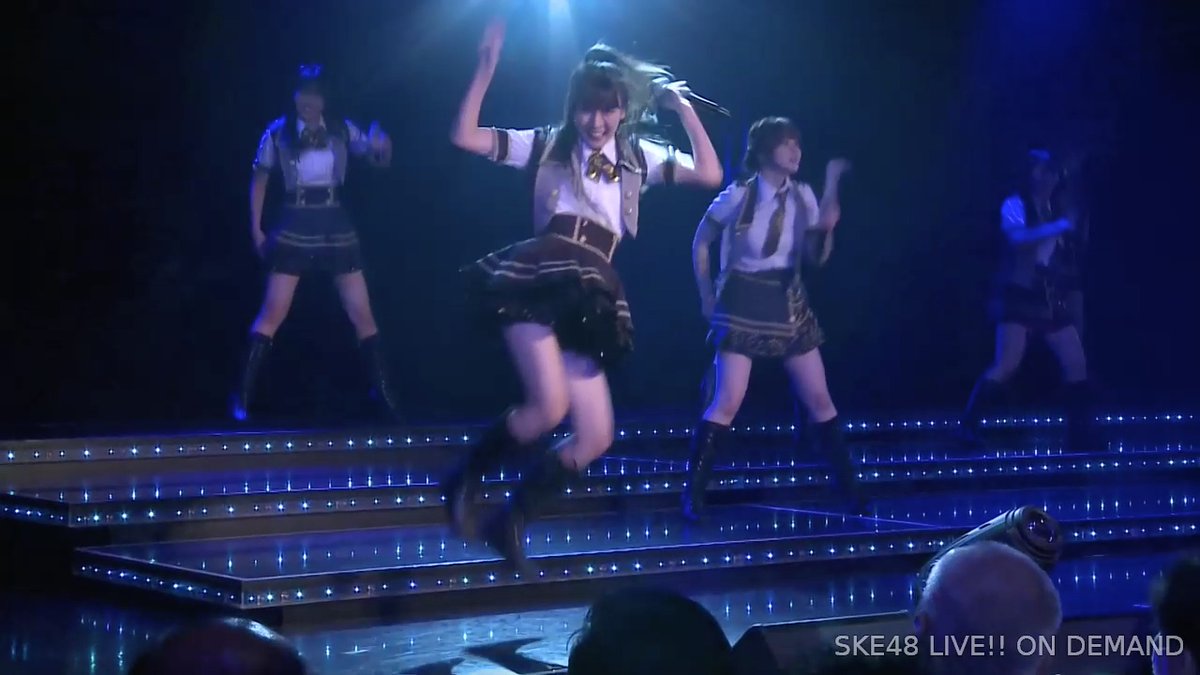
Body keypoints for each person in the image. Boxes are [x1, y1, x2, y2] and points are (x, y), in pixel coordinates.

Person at [442, 18, 723, 572]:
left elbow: (710, 174)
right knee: (548, 407)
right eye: (587, 110)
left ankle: (511, 519)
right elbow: (464, 136)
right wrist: (485, 67)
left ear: (623, 109)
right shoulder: (548, 143)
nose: (597, 122)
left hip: (592, 292)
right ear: (573, 110)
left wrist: (681, 107)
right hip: (540, 275)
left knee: (596, 435)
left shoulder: (638, 156)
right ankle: (463, 478)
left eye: (608, 110)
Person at [683, 116, 860, 518]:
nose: (796, 151)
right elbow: (701, 242)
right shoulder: (738, 194)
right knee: (727, 400)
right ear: (765, 151)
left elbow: (816, 256)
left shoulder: (803, 195)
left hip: (787, 300)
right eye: (786, 143)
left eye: (798, 143)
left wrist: (831, 190)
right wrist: (706, 295)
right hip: (743, 299)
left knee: (820, 399)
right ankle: (692, 494)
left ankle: (851, 491)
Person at [232, 64, 400, 422]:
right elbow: (259, 180)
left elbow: (377, 159)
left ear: (325, 99)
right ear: (294, 96)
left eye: (315, 94)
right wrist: (256, 229)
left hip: (334, 221)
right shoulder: (277, 133)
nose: (308, 101)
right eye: (303, 93)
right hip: (295, 221)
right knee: (273, 311)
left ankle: (384, 393)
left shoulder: (341, 128)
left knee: (361, 312)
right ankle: (242, 397)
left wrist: (383, 147)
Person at [957, 149, 1097, 450]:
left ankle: (1079, 437)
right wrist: (1059, 227)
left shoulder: (1057, 208)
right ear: (1030, 174)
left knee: (1076, 362)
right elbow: (1017, 239)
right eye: (1041, 170)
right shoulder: (1014, 204)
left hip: (1050, 295)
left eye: (1051, 171)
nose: (1048, 176)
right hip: (1019, 293)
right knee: (1007, 363)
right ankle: (968, 427)